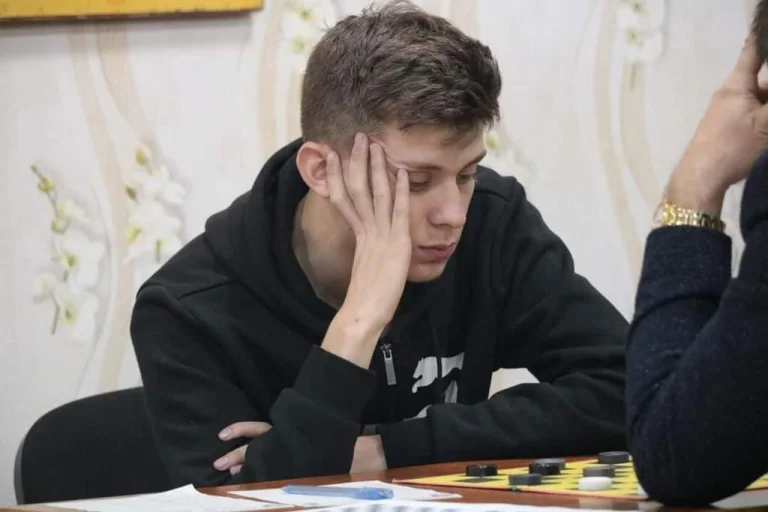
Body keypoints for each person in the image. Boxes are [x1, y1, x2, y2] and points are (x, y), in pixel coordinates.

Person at [131, 0, 629, 488]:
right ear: (321, 171)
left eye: (467, 174)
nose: (454, 214)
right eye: (416, 181)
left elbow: (631, 389)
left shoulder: (493, 221)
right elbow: (232, 500)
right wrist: (360, 319)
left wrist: (390, 448)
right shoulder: (187, 311)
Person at [625, 16, 768, 507]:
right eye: (419, 181)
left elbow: (674, 454)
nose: (450, 214)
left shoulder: (500, 211)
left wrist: (694, 184)